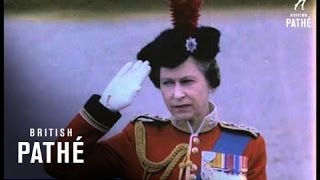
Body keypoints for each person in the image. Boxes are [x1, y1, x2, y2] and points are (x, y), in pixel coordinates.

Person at [44, 0, 267, 179]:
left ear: (211, 82)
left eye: (187, 81)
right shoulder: (139, 137)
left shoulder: (247, 145)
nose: (177, 94)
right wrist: (104, 109)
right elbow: (57, 166)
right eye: (168, 83)